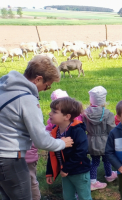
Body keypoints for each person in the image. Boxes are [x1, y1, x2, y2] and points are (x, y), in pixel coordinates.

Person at [0, 55, 73, 199]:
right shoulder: (26, 99)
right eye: (47, 85)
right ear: (38, 79)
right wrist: (61, 143)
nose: (47, 89)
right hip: (10, 158)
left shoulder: (4, 89)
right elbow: (41, 140)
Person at [45, 97, 92, 200]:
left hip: (80, 171)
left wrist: (66, 168)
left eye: (54, 112)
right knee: (68, 197)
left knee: (84, 197)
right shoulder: (55, 131)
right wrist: (50, 172)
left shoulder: (77, 131)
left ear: (67, 116)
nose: (50, 114)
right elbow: (52, 153)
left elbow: (81, 152)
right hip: (65, 172)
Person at [82, 86, 117, 190]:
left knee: (95, 161)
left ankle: (93, 180)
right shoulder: (108, 114)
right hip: (105, 141)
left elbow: (83, 127)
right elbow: (112, 129)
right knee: (107, 159)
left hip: (91, 141)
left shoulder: (85, 113)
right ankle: (109, 175)